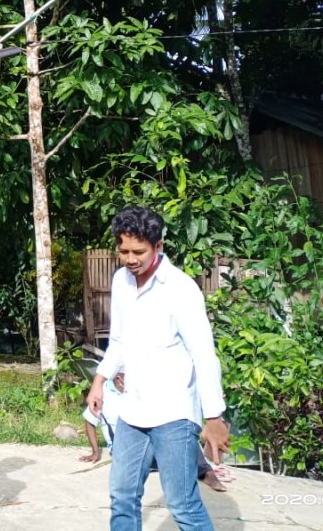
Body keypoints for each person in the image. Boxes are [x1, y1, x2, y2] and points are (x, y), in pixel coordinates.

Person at [87, 206, 231, 530]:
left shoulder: (180, 289)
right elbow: (119, 340)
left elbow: (204, 354)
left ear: (158, 246)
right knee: (122, 496)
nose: (130, 259)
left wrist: (213, 416)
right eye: (123, 250)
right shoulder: (121, 281)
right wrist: (100, 380)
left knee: (182, 504)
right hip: (133, 410)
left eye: (139, 252)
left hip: (174, 414)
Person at [80, 374, 226, 492]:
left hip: (148, 442)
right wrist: (95, 452)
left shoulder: (140, 390)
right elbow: (89, 420)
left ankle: (206, 473)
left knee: (184, 438)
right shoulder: (103, 393)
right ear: (119, 379)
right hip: (124, 449)